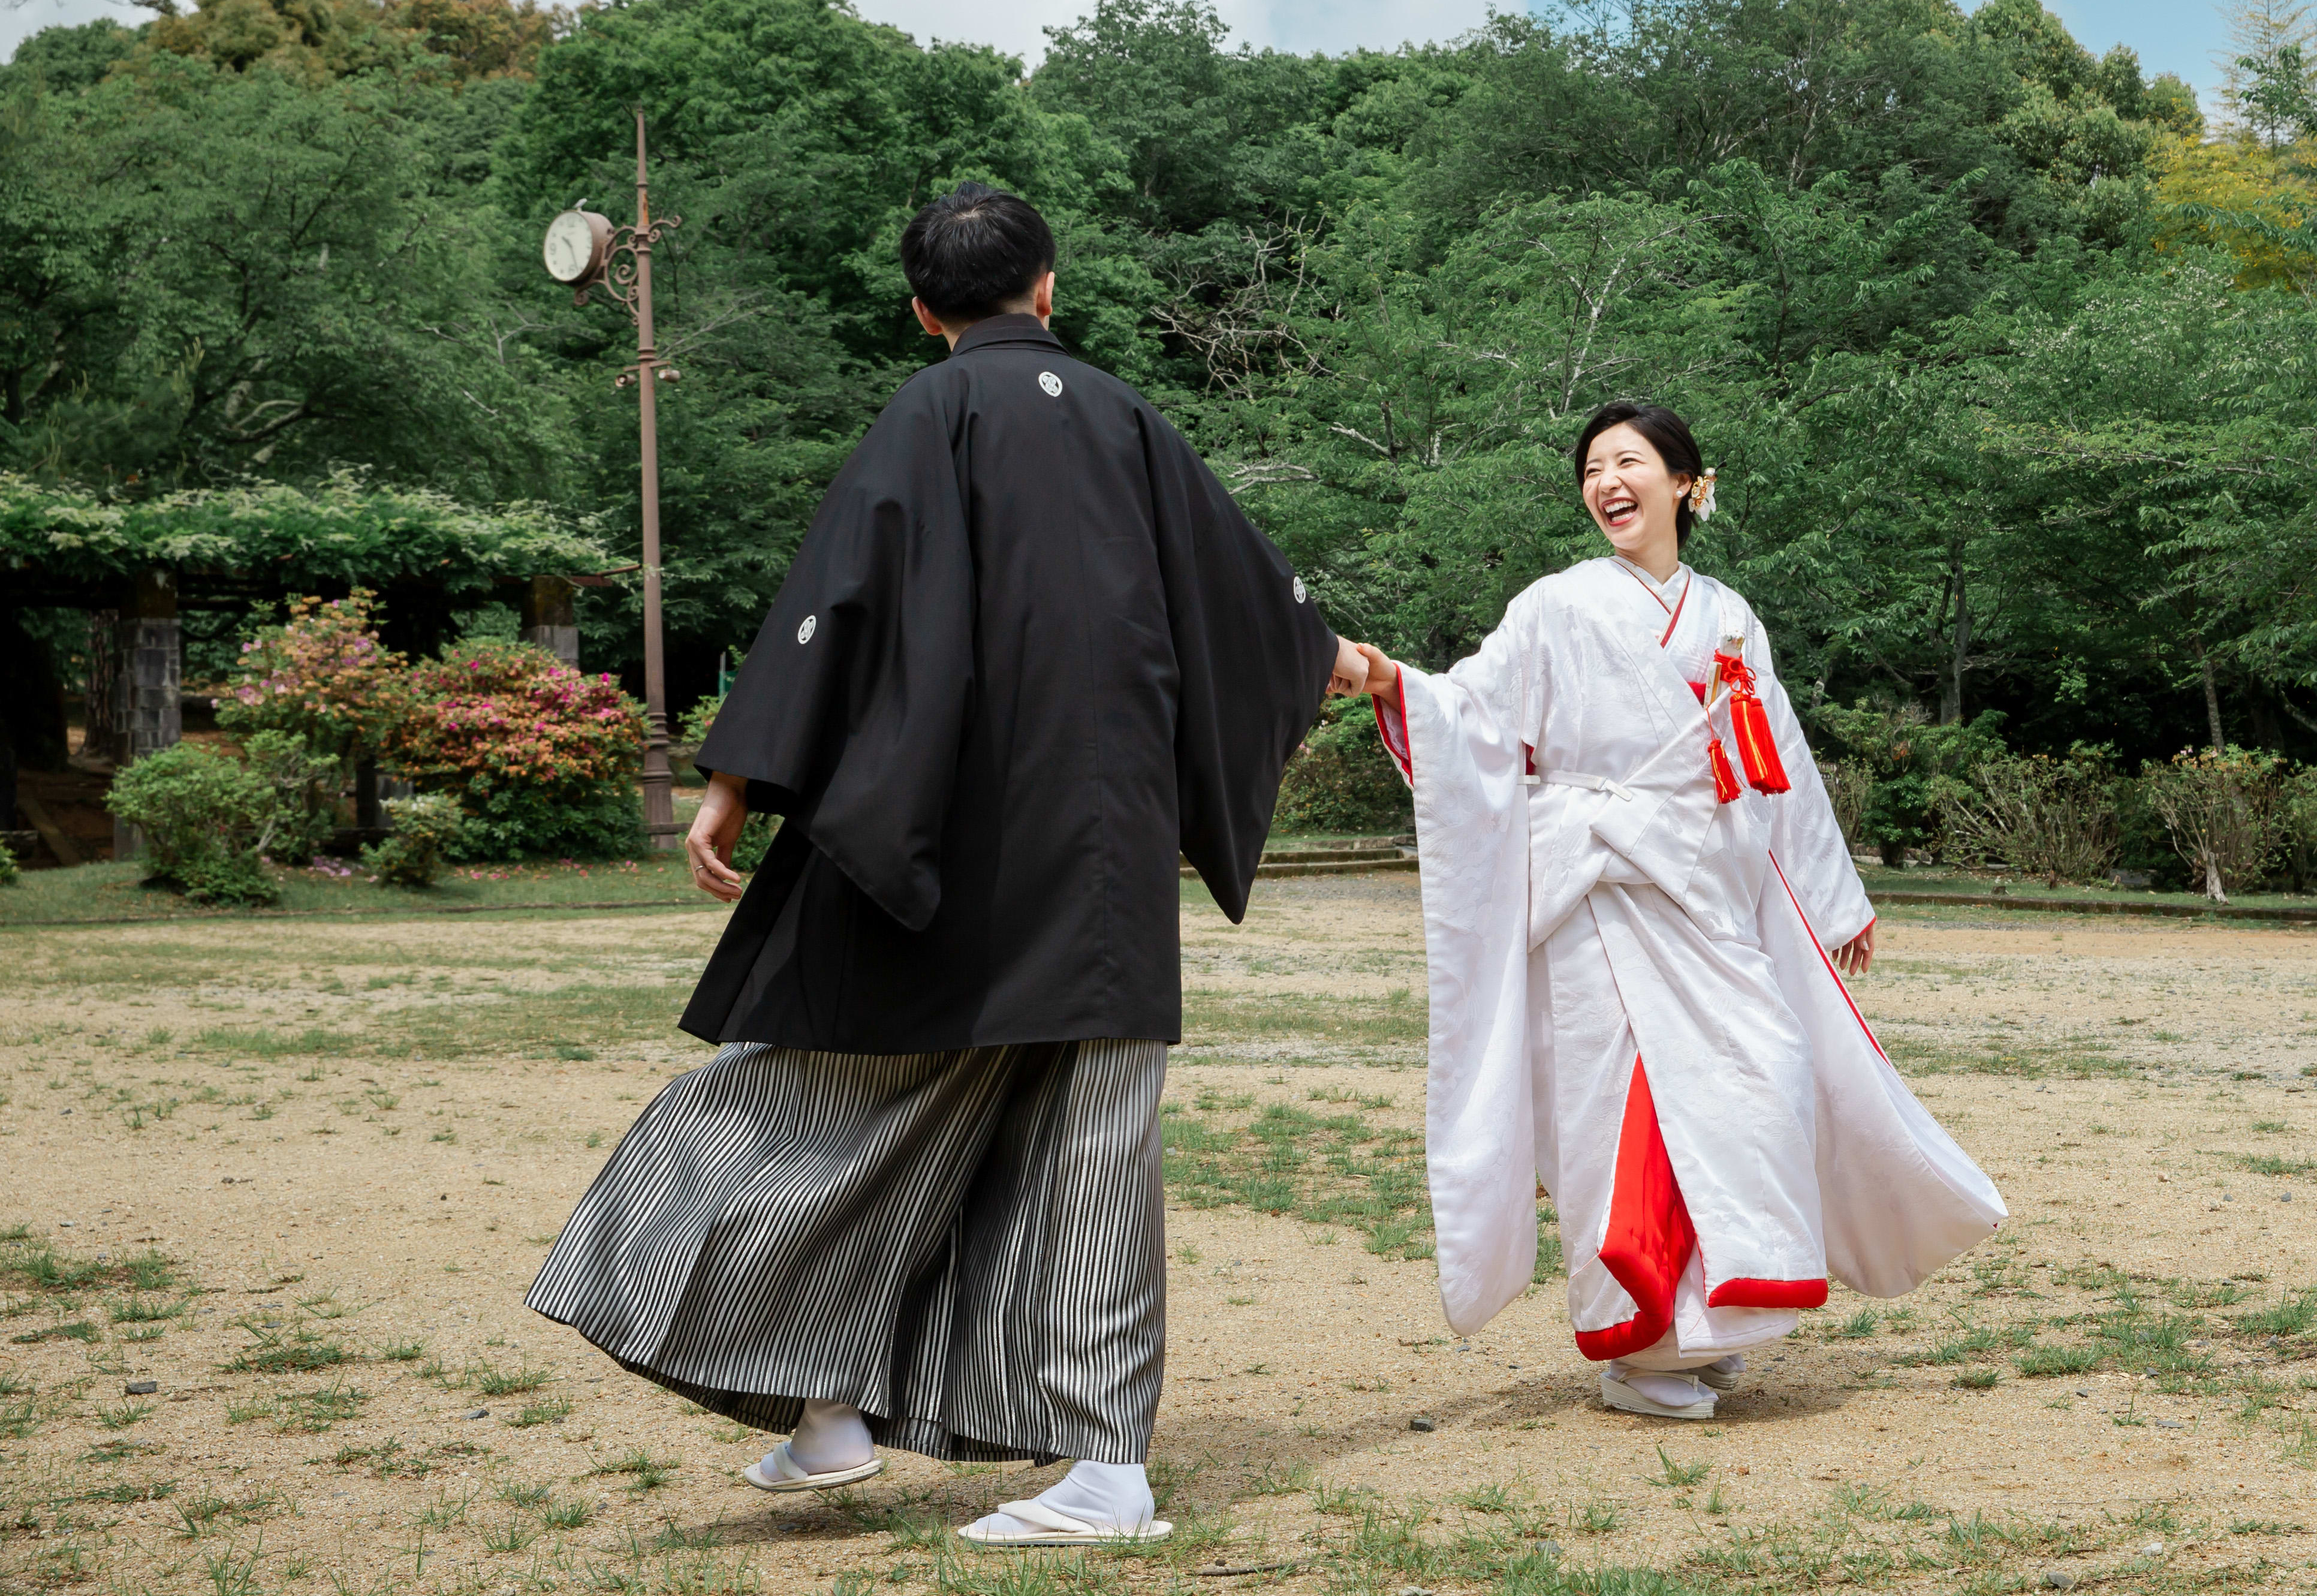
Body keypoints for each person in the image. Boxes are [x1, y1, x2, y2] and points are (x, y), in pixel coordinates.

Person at [527, 182, 1357, 1547]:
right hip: (1104, 852)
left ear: (924, 313)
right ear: (1049, 288)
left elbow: (834, 607)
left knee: (801, 1096)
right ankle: (914, 1427)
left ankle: (938, 1430)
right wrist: (1337, 658)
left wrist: (736, 778)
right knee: (1095, 1144)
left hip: (946, 843)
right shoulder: (1129, 418)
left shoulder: (928, 412)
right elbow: (1249, 596)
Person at [1340, 401, 2003, 1420]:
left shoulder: (1730, 616)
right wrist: (1389, 678)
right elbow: (1473, 715)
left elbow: (1777, 760)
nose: (1607, 482)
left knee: (1759, 1086)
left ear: (1689, 484)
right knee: (1625, 1122)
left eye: (1629, 461)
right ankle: (1642, 1351)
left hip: (1707, 890)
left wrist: (1834, 895)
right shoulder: (1556, 605)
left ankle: (1711, 1322)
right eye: (1592, 467)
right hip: (1599, 888)